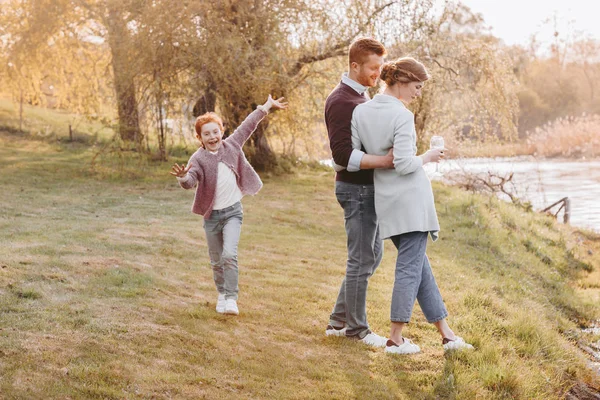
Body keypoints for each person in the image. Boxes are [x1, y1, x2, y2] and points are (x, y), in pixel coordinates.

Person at [351, 57, 474, 354]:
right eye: (417, 87)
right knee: (409, 268)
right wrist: (428, 156)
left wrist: (382, 159)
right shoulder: (402, 116)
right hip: (412, 202)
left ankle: (447, 336)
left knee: (420, 268)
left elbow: (354, 158)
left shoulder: (361, 111)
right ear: (402, 82)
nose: (418, 93)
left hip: (388, 202)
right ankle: (395, 339)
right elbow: (405, 165)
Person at [170, 95, 288, 316]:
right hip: (211, 217)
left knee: (229, 255)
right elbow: (190, 182)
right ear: (199, 137)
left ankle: (232, 298)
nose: (212, 137)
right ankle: (222, 294)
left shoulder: (232, 145)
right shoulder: (198, 159)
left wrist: (265, 107)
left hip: (233, 212)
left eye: (216, 132)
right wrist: (183, 177)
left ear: (222, 131)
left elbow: (248, 125)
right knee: (216, 261)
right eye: (207, 134)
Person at [324, 37, 394, 347]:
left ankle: (338, 321)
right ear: (355, 65)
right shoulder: (342, 101)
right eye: (373, 68)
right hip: (357, 191)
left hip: (367, 189)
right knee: (361, 259)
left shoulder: (361, 98)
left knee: (370, 256)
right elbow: (341, 156)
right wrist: (384, 161)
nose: (378, 73)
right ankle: (356, 329)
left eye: (380, 67)